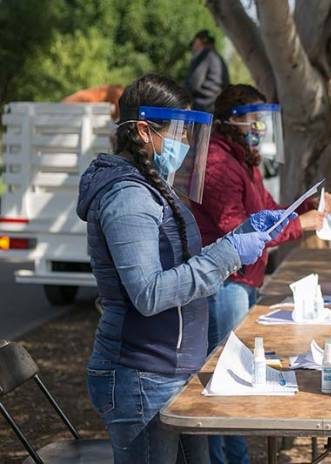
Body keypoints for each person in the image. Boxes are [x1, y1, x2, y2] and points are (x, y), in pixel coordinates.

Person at [77, 74, 293, 463]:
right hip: (141, 374)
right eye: (178, 131)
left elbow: (182, 265)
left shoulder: (153, 186)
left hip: (172, 371)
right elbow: (150, 293)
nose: (186, 142)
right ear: (144, 130)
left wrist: (240, 234)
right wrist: (228, 252)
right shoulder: (127, 197)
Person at [190, 83, 331, 464]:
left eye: (262, 122)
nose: (259, 130)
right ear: (229, 123)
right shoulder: (220, 163)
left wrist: (307, 208)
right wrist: (299, 225)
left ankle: (236, 457)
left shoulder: (245, 162)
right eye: (252, 122)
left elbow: (272, 212)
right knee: (226, 382)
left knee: (237, 377)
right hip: (227, 284)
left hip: (244, 282)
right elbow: (237, 229)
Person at [185, 30, 230, 112]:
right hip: (216, 107)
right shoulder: (219, 59)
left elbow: (193, 84)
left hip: (202, 107)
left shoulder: (205, 55)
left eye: (194, 43)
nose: (193, 47)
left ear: (199, 42)